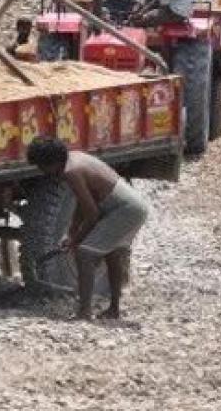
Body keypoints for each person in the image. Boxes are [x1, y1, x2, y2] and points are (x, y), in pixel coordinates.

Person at [26, 136, 151, 320]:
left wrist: (76, 241)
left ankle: (84, 312)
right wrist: (73, 232)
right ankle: (113, 310)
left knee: (85, 254)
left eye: (42, 167)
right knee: (112, 252)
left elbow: (92, 213)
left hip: (125, 210)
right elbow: (83, 203)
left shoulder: (70, 171)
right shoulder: (74, 158)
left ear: (51, 162)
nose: (43, 172)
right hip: (132, 205)